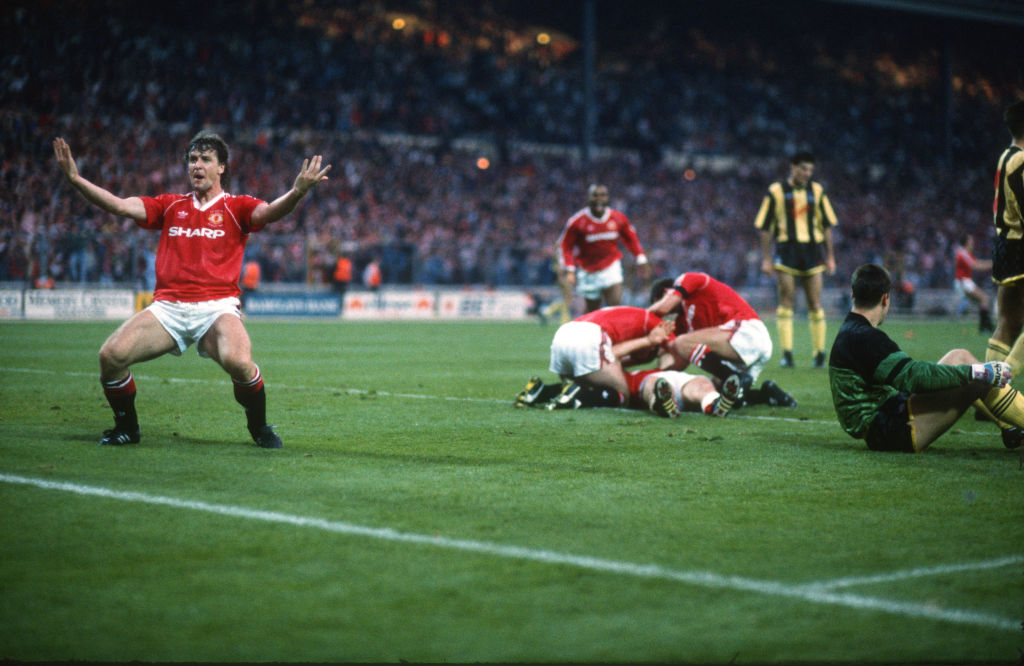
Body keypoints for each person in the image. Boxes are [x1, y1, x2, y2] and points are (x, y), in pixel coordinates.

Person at [53, 132, 331, 448]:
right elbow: (120, 206)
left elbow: (269, 212)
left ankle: (259, 427)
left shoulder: (236, 206)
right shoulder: (170, 205)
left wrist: (296, 192)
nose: (196, 165)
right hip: (168, 308)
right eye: (192, 159)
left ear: (221, 167)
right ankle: (127, 428)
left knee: (239, 363)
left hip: (217, 307)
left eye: (205, 159)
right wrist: (76, 180)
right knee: (110, 356)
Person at [828, 264, 1024, 453]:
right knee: (976, 376)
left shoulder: (850, 332)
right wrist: (978, 371)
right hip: (890, 431)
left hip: (886, 420)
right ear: (885, 299)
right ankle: (1012, 424)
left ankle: (1010, 428)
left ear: (853, 295)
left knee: (959, 357)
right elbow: (914, 378)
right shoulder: (866, 337)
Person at [517, 305, 742, 417]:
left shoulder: (630, 315)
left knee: (595, 381)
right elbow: (676, 355)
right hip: (590, 337)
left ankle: (540, 391)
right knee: (621, 394)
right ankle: (577, 395)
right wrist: (653, 348)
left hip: (565, 334)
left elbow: (612, 356)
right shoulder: (655, 324)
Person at [648, 274, 797, 409]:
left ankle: (733, 377)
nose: (667, 314)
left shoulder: (688, 279)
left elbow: (664, 309)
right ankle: (767, 394)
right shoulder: (682, 322)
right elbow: (679, 355)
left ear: (668, 292)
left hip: (747, 332)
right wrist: (654, 376)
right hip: (739, 345)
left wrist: (642, 317)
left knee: (680, 342)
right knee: (719, 394)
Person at [755, 151, 838, 368]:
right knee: (786, 300)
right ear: (792, 167)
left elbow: (827, 225)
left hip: (812, 251)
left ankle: (820, 354)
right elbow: (765, 227)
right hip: (787, 249)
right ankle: (787, 354)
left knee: (814, 302)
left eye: (810, 170)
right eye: (803, 168)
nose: (807, 173)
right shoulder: (776, 191)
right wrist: (765, 258)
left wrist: (830, 256)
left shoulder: (817, 191)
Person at [557, 184, 650, 313]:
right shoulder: (577, 222)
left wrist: (640, 258)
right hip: (588, 271)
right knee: (592, 311)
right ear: (589, 198)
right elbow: (565, 246)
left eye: (603, 195)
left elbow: (631, 239)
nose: (599, 199)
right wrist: (570, 269)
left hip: (611, 267)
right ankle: (590, 331)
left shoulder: (618, 218)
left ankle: (613, 332)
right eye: (595, 195)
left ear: (608, 198)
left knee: (615, 305)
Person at [986, 100, 1024, 375]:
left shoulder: (1005, 155)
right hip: (1020, 244)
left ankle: (987, 384)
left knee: (1007, 322)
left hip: (1004, 244)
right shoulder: (1022, 159)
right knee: (1010, 321)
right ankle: (994, 388)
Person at [952, 234, 993, 332]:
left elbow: (977, 262)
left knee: (983, 300)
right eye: (971, 241)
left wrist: (991, 263)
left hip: (965, 281)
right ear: (966, 242)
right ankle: (986, 327)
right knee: (984, 299)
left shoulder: (965, 253)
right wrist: (994, 264)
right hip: (963, 282)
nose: (973, 243)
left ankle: (985, 327)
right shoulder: (962, 253)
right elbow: (975, 265)